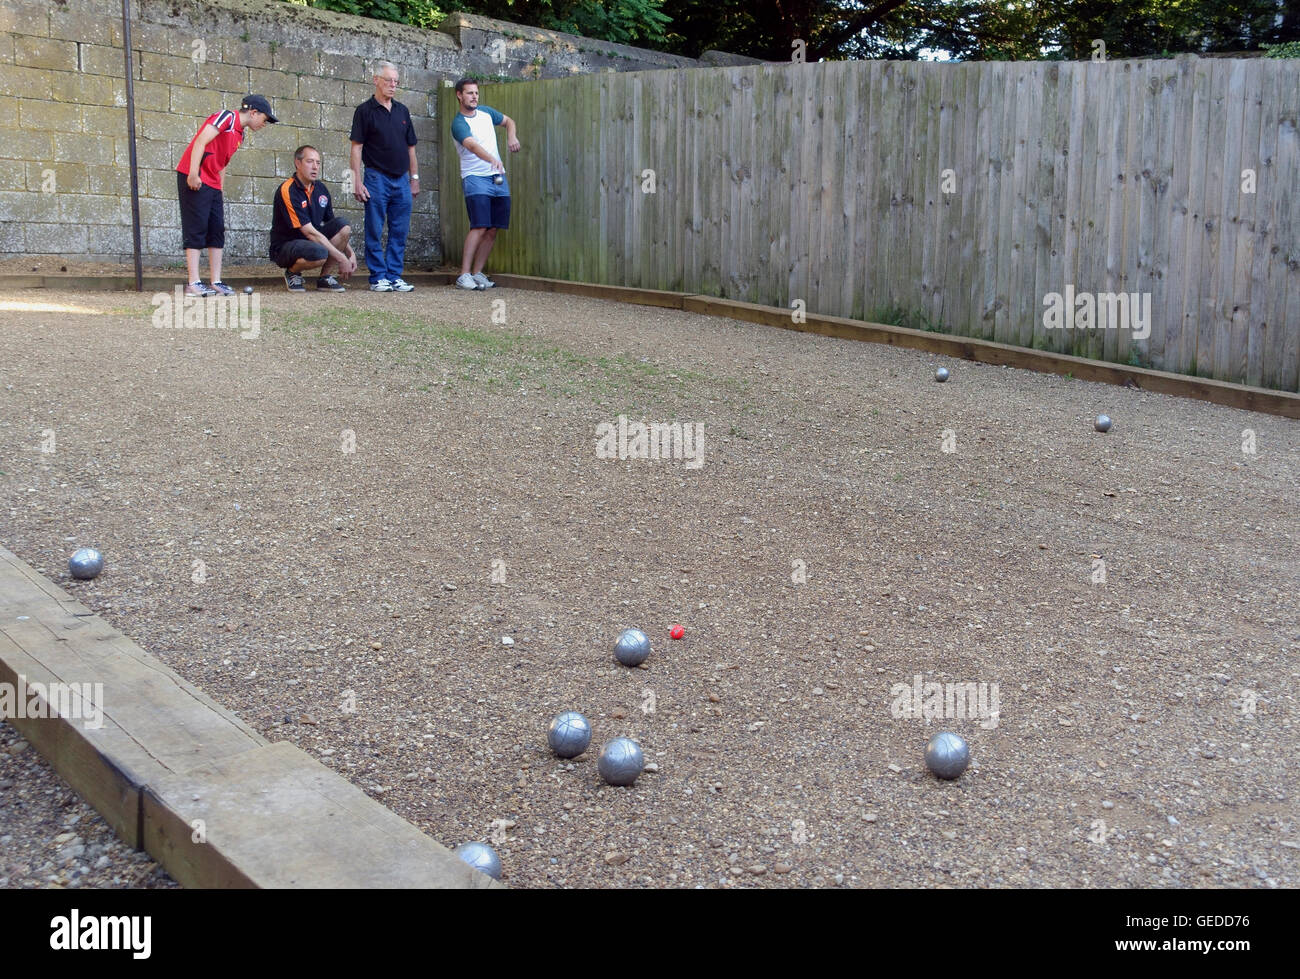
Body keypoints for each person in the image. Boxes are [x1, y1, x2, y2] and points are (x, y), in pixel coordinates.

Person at [176, 95, 277, 297]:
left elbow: (223, 161)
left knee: (216, 229)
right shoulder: (226, 118)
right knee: (196, 227)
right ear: (253, 112)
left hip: (212, 183)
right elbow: (201, 141)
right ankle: (193, 283)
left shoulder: (240, 134)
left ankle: (216, 281)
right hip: (195, 176)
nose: (264, 124)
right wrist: (193, 173)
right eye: (264, 119)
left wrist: (219, 188)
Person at [349, 61, 419, 293]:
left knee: (400, 230)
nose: (393, 85)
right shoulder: (364, 111)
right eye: (388, 80)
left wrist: (414, 178)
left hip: (402, 179)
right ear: (376, 80)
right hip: (376, 178)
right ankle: (378, 276)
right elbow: (356, 147)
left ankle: (394, 275)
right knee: (375, 228)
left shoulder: (402, 111)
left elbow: (411, 148)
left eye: (396, 81)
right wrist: (356, 181)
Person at [450, 78, 520, 291]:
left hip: (497, 177)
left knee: (493, 228)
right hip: (475, 178)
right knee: (479, 226)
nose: (474, 97)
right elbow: (472, 146)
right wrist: (491, 159)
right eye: (469, 93)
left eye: (476, 93)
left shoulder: (487, 113)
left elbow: (509, 121)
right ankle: (464, 275)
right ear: (459, 95)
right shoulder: (459, 124)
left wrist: (511, 137)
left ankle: (477, 273)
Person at [269, 145, 356, 292]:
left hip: (312, 242)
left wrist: (351, 254)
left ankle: (324, 278)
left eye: (318, 162)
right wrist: (341, 258)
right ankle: (292, 273)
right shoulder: (288, 189)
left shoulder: (321, 189)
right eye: (310, 161)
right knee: (319, 253)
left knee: (343, 226)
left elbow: (335, 228)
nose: (315, 167)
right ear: (298, 163)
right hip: (285, 246)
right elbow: (309, 232)